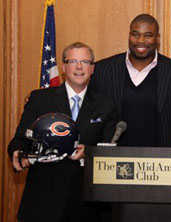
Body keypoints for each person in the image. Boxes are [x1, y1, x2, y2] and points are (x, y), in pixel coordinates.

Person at [90, 14, 171, 222]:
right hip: (114, 172)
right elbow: (83, 104)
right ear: (129, 35)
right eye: (135, 34)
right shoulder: (102, 70)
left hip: (162, 173)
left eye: (148, 35)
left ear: (157, 38)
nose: (141, 41)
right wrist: (42, 99)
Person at [8, 42, 117, 222]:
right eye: (73, 61)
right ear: (64, 67)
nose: (79, 67)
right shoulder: (39, 99)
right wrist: (17, 153)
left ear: (92, 69)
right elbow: (19, 141)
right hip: (43, 202)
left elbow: (110, 153)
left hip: (86, 206)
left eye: (85, 62)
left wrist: (87, 154)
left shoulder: (105, 106)